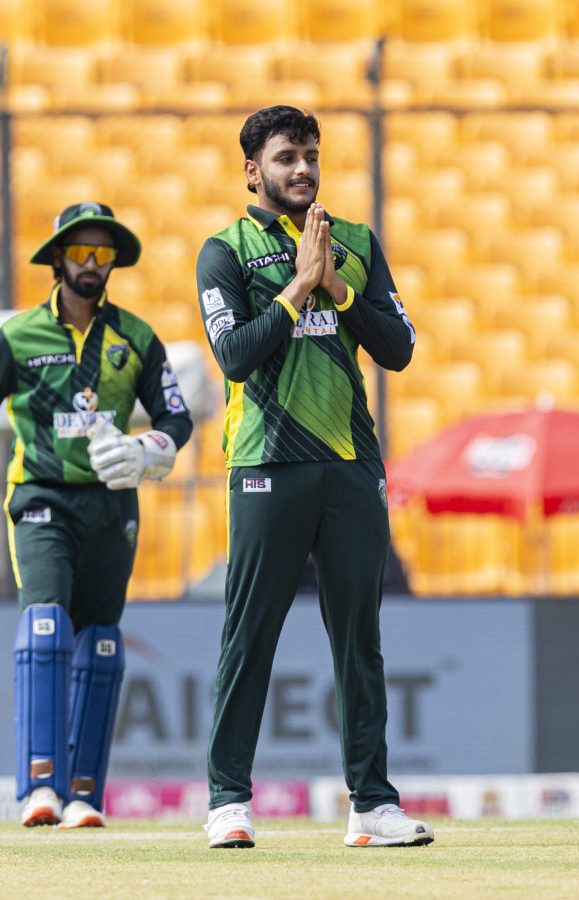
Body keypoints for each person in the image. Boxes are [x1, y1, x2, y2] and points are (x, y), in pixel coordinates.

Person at [196, 106, 434, 849]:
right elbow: (234, 357)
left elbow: (398, 348)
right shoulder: (224, 250)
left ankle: (371, 804)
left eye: (310, 155)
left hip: (349, 466)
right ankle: (229, 801)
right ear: (252, 171)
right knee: (250, 634)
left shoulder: (357, 244)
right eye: (286, 157)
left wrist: (335, 287)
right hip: (265, 464)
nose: (302, 169)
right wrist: (297, 288)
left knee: (359, 637)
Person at [0, 202, 193, 828]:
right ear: (56, 258)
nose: (91, 264)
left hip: (113, 505)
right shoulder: (19, 335)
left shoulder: (135, 338)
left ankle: (84, 794)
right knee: (47, 625)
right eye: (80, 252)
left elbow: (176, 418)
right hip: (43, 498)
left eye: (103, 254)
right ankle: (39, 788)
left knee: (102, 643)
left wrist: (146, 451)